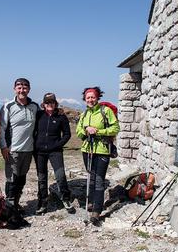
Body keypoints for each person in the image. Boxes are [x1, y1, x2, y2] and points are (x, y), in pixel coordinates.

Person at [76, 87, 119, 226]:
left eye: (92, 97)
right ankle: (92, 203)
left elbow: (115, 128)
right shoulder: (84, 114)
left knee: (99, 179)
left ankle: (97, 211)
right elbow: (78, 131)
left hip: (102, 150)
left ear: (97, 97)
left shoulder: (105, 111)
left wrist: (98, 131)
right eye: (88, 98)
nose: (90, 100)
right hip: (87, 150)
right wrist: (85, 130)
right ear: (85, 99)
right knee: (91, 177)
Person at [0, 78, 39, 214]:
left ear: (29, 89)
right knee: (12, 179)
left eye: (25, 87)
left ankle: (15, 204)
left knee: (22, 178)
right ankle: (9, 208)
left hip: (28, 149)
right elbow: (1, 128)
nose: (22, 90)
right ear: (14, 89)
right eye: (19, 87)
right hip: (12, 150)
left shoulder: (35, 106)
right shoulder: (8, 106)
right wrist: (4, 147)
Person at [33, 92, 74, 215]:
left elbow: (67, 134)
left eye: (52, 102)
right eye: (47, 102)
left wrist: (57, 145)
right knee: (42, 178)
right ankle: (43, 201)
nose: (49, 104)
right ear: (43, 104)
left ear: (55, 104)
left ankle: (66, 199)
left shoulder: (61, 117)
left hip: (55, 151)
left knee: (60, 175)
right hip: (39, 152)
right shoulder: (39, 115)